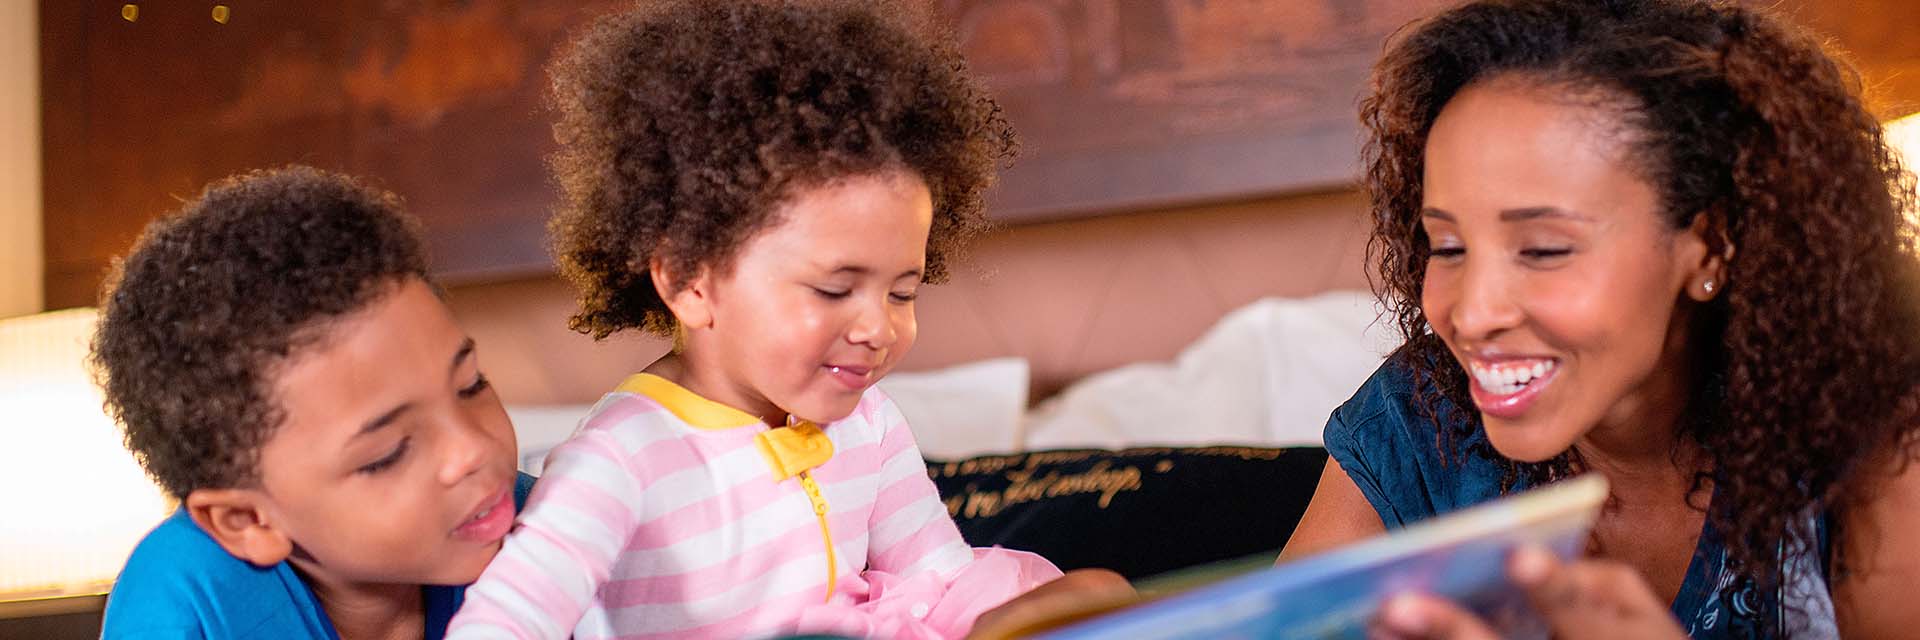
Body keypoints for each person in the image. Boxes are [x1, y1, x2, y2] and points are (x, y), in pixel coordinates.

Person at [445, 2, 1127, 639]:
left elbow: (941, 577)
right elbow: (504, 621)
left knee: (1096, 590)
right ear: (689, 281)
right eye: (834, 290)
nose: (878, 329)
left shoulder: (869, 421)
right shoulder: (623, 457)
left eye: (902, 292)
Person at [1279, 0, 1920, 638]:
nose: (1471, 314)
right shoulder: (1418, 418)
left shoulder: (1874, 425)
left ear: (1710, 246)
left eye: (1543, 249)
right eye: (1447, 247)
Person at [94, 166, 535, 639]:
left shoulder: (548, 521)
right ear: (250, 521)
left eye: (471, 385)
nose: (473, 449)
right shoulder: (183, 609)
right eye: (389, 453)